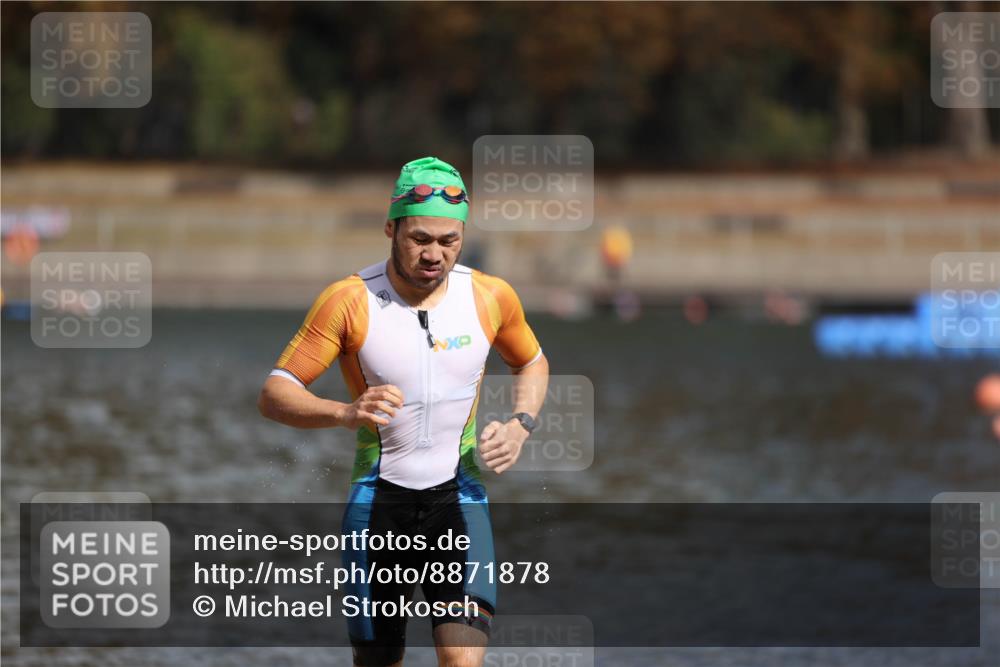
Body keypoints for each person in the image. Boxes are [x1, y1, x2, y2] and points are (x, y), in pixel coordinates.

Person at [258, 156, 549, 667]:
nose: (434, 254)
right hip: (377, 508)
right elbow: (276, 392)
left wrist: (521, 424)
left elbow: (532, 361)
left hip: (457, 503)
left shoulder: (490, 297)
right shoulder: (348, 302)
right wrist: (344, 413)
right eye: (419, 239)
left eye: (448, 241)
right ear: (391, 227)